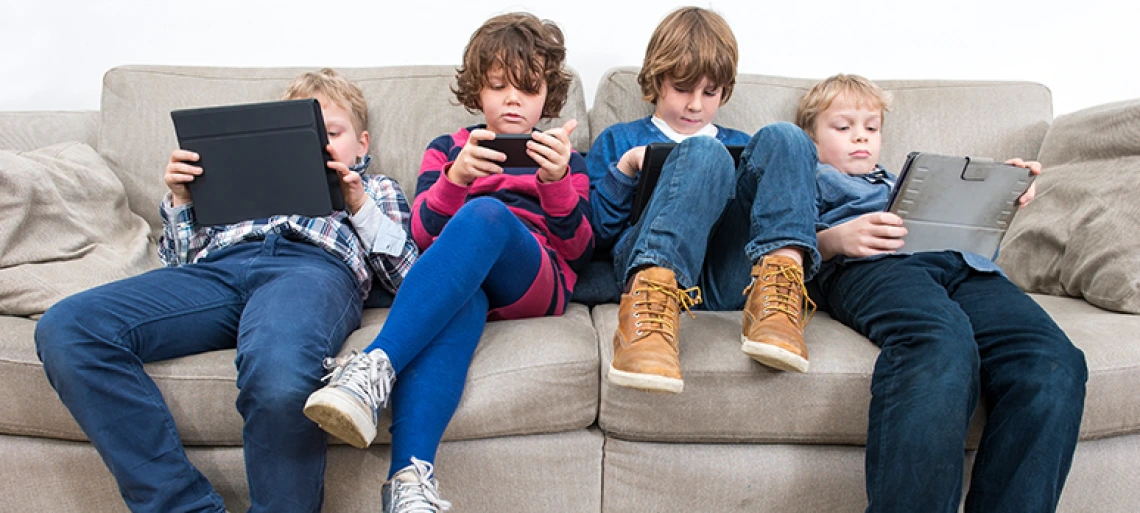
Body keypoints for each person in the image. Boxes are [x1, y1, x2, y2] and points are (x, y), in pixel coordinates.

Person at [33, 68, 417, 512]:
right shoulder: (240, 185)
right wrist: (181, 201)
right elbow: (178, 263)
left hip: (310, 270)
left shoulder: (377, 188)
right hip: (218, 271)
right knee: (69, 327)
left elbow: (406, 276)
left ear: (362, 144)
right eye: (303, 138)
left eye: (332, 133)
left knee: (280, 375)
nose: (320, 146)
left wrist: (358, 205)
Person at [301, 12, 592, 512]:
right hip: (459, 285)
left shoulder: (565, 157)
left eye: (527, 88)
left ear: (548, 96)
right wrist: (454, 178)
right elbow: (420, 236)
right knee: (461, 299)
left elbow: (580, 251)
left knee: (487, 215)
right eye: (498, 86)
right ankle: (409, 484)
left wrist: (557, 179)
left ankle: (376, 364)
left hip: (534, 279)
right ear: (477, 91)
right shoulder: (448, 149)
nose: (512, 100)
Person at [796, 73, 1087, 512]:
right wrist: (834, 239)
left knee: (1054, 362)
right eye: (843, 127)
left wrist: (1000, 192)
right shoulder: (806, 177)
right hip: (873, 267)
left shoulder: (904, 182)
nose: (861, 137)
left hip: (964, 265)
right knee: (942, 344)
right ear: (810, 138)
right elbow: (779, 245)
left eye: (871, 128)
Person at [587, 6, 821, 394]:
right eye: (682, 89)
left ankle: (778, 306)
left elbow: (787, 209)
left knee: (788, 137)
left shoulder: (746, 147)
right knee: (704, 153)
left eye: (709, 92)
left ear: (724, 91)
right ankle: (648, 322)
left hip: (724, 279)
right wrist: (627, 169)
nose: (695, 105)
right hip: (643, 272)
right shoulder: (619, 139)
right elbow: (594, 234)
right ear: (656, 80)